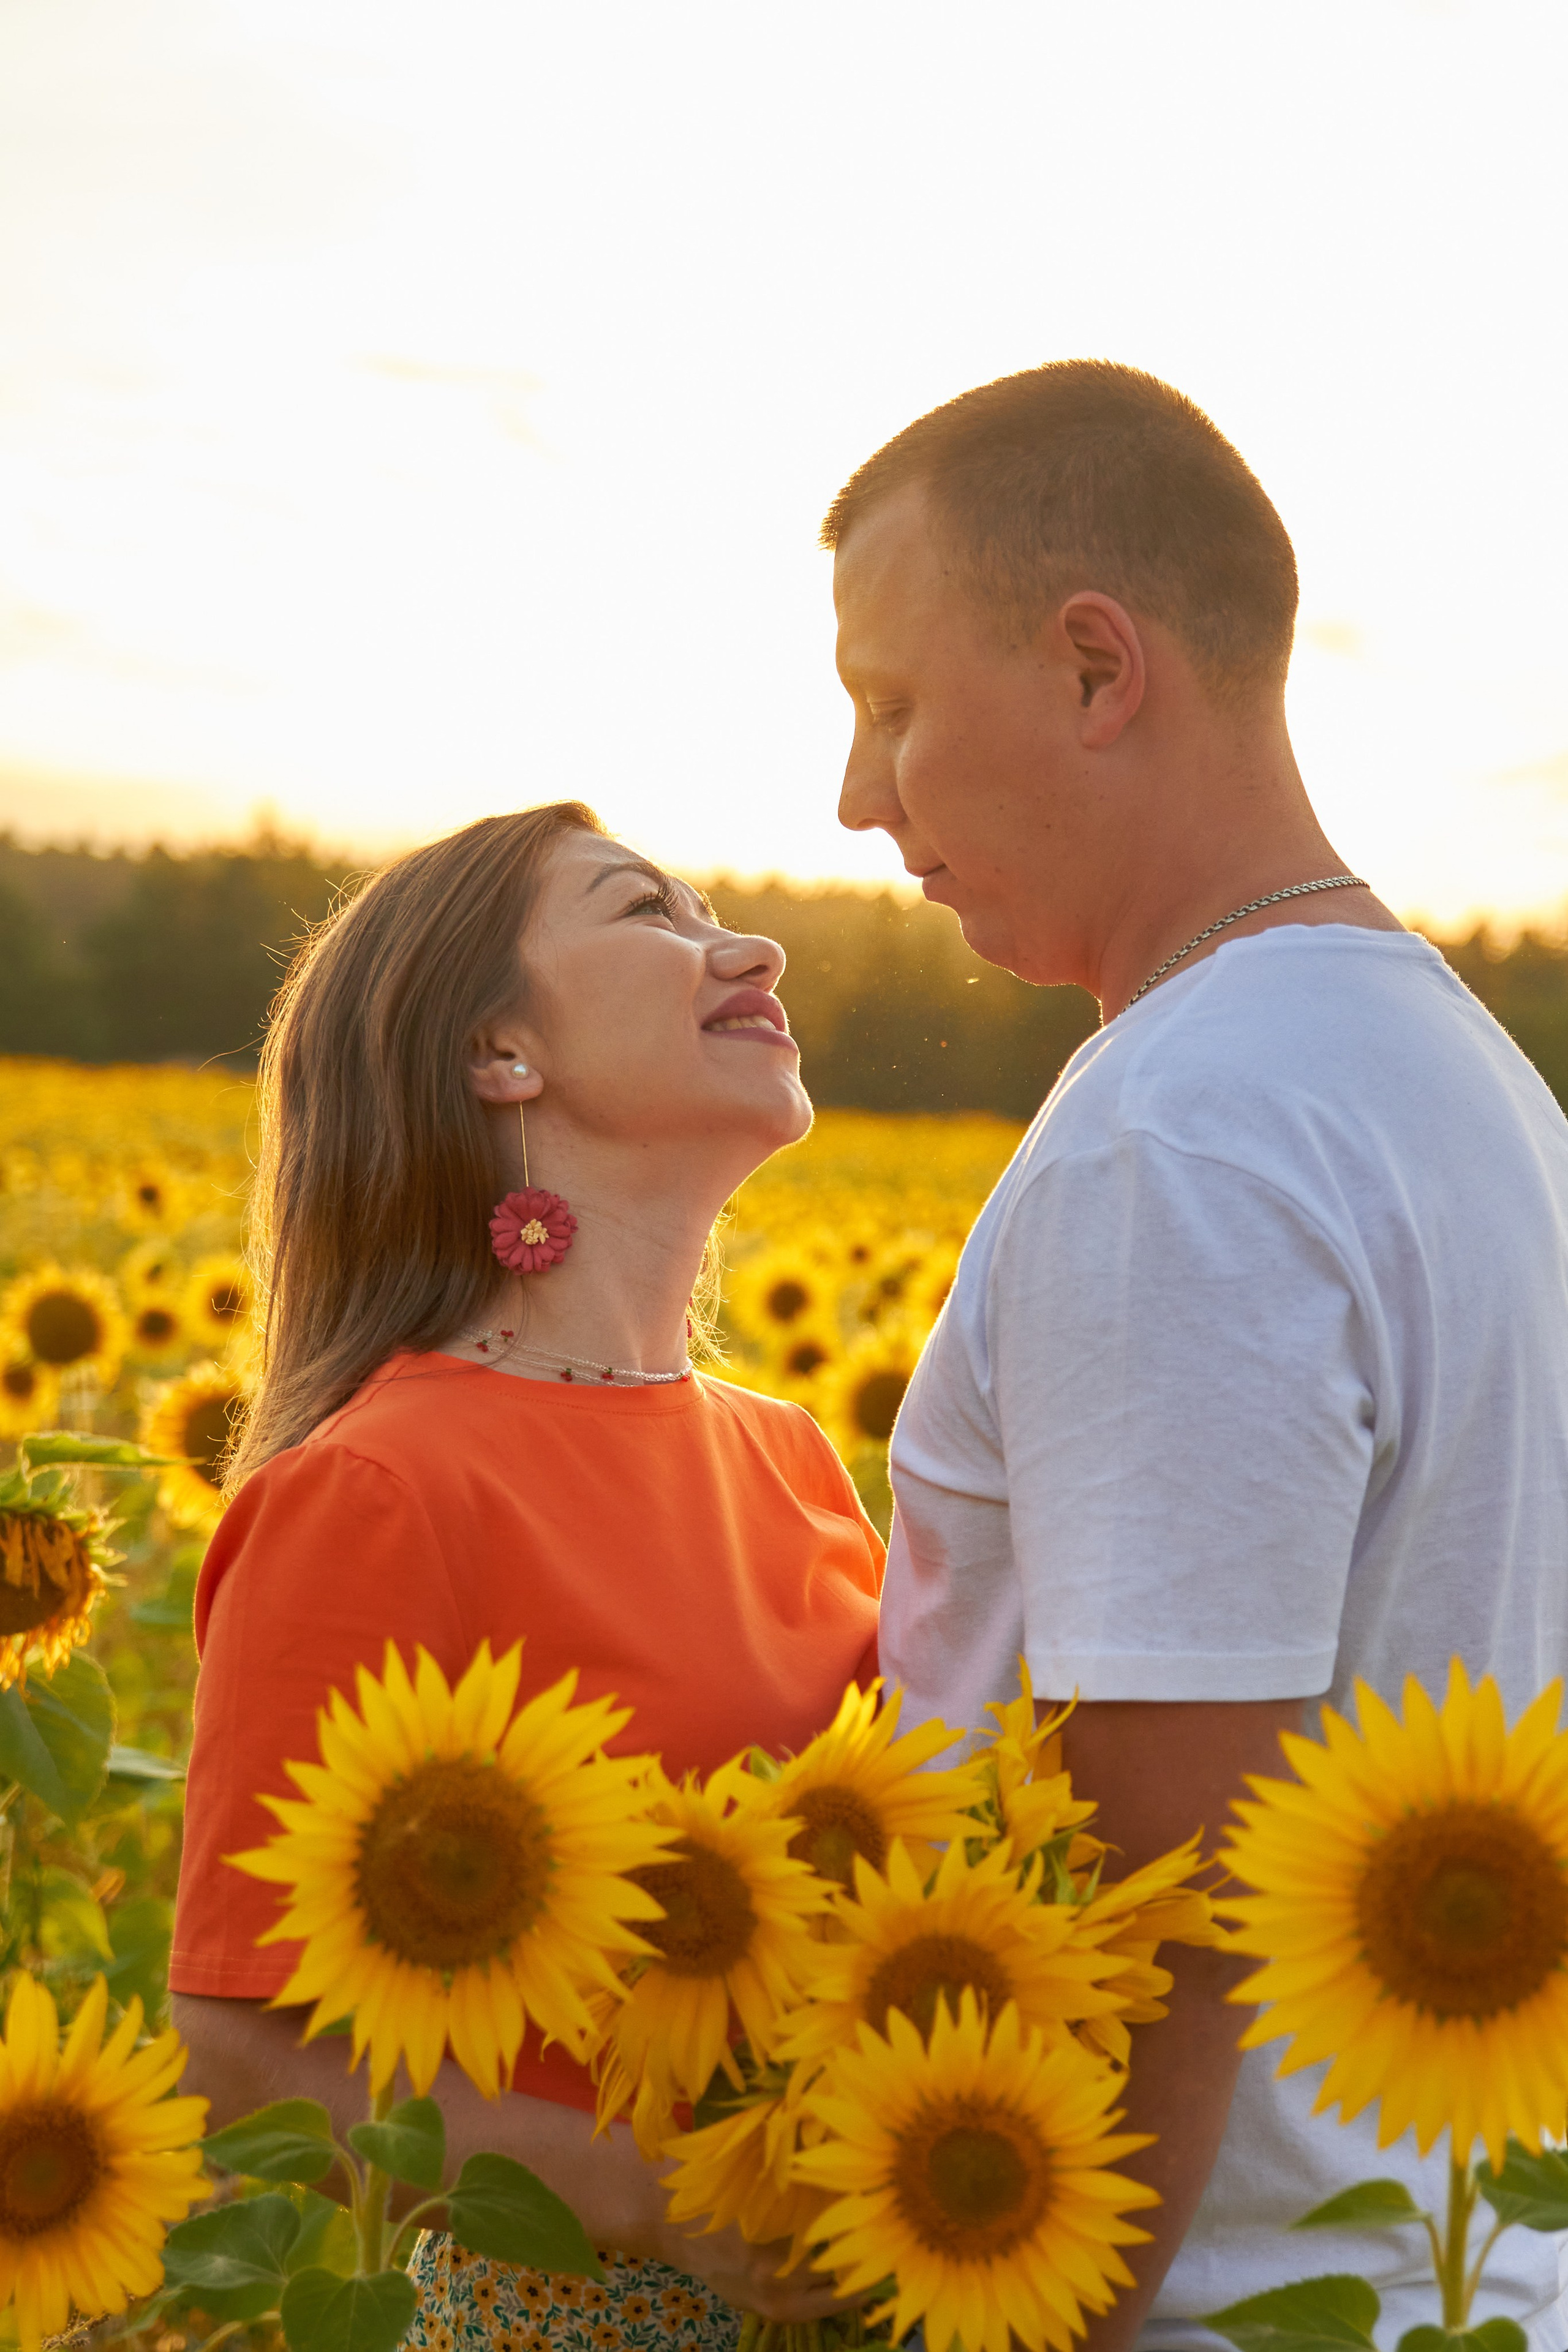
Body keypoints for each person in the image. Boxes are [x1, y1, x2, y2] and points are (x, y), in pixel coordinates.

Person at [824, 361, 1568, 2351]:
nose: (858, 795)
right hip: (1448, 2261)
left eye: (889, 705)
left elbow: (1165, 1912)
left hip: (1215, 2301)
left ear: (1093, 666)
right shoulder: (1470, 1089)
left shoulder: (1186, 1137)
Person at [168, 803, 883, 2350]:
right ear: (500, 1052)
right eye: (650, 914)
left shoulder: (793, 1460)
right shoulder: (382, 1488)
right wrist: (673, 2203)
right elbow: (236, 2044)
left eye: (718, 915)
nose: (744, 946)